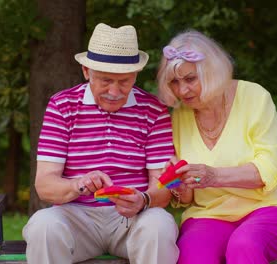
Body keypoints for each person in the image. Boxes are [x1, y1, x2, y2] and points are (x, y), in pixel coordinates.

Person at [22, 23, 179, 264]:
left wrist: (144, 199)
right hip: (77, 217)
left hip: (133, 220)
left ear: (135, 75)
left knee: (159, 224)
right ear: (86, 71)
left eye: (124, 81)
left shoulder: (153, 110)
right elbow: (44, 185)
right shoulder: (61, 106)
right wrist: (79, 184)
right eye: (105, 81)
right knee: (43, 225)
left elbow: (162, 186)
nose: (114, 91)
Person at [156, 30, 277, 264]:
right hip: (210, 214)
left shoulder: (254, 97)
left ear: (212, 72)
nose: (182, 91)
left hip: (271, 207)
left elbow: (269, 169)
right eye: (174, 82)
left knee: (244, 245)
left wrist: (213, 176)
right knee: (193, 254)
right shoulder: (180, 116)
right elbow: (187, 199)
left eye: (190, 79)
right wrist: (177, 182)